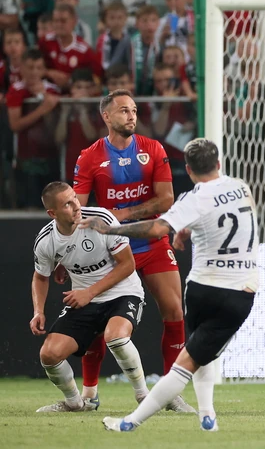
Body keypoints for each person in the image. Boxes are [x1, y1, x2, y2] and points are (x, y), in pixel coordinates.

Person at [82, 138, 257, 432]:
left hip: (205, 288)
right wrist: (187, 229)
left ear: (187, 169)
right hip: (242, 292)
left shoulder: (192, 200)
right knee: (200, 350)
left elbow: (157, 228)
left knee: (189, 360)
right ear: (219, 163)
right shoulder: (241, 187)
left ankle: (130, 422)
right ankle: (207, 415)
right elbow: (224, 215)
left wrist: (112, 229)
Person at [68, 90, 193, 412]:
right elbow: (76, 209)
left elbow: (166, 199)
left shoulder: (153, 149)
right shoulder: (89, 156)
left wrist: (121, 214)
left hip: (151, 241)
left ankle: (169, 392)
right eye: (124, 110)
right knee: (96, 321)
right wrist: (65, 252)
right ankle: (89, 395)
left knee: (174, 311)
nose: (131, 116)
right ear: (106, 116)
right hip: (111, 249)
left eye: (134, 110)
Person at [31, 181, 148, 412]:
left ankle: (144, 397)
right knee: (49, 354)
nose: (76, 206)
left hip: (123, 292)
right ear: (52, 213)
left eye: (75, 197)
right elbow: (40, 277)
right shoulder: (46, 240)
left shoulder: (100, 219)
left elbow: (128, 265)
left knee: (116, 337)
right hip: (86, 300)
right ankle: (75, 403)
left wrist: (89, 292)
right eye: (67, 204)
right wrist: (38, 311)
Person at [5, 48, 61, 208]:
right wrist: (42, 109)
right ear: (22, 68)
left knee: (53, 207)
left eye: (38, 68)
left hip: (51, 156)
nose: (34, 72)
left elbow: (55, 127)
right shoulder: (16, 90)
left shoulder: (52, 90)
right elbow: (15, 125)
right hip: (25, 159)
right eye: (30, 67)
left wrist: (43, 97)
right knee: (29, 206)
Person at [38, 3, 101, 91]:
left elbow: (97, 79)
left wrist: (71, 81)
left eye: (63, 21)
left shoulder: (84, 50)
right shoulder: (44, 42)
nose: (59, 24)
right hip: (47, 91)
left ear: (74, 21)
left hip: (74, 94)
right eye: (56, 21)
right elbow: (33, 66)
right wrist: (48, 73)